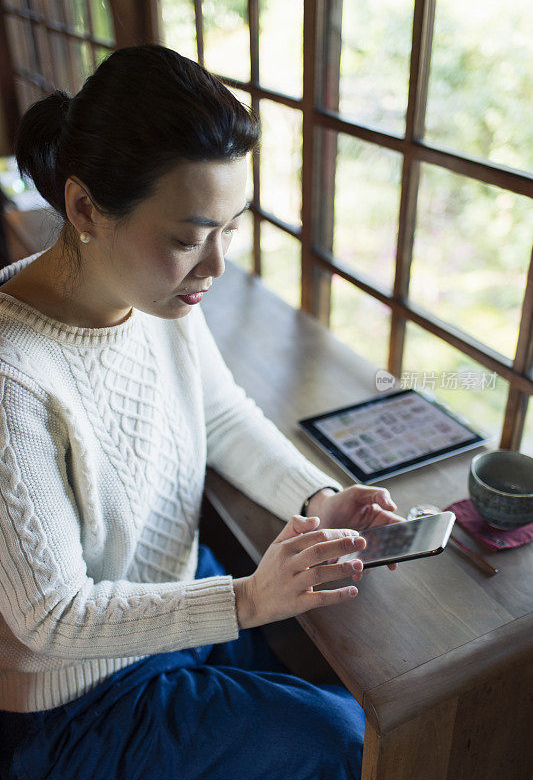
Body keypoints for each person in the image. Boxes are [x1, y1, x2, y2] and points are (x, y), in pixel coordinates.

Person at [0, 44, 402, 780]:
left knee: (360, 695)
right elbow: (48, 617)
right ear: (84, 208)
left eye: (230, 227)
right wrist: (247, 600)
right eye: (188, 238)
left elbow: (217, 413)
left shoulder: (157, 291)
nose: (215, 266)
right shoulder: (13, 375)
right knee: (342, 737)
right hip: (73, 696)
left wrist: (317, 498)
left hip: (176, 595)